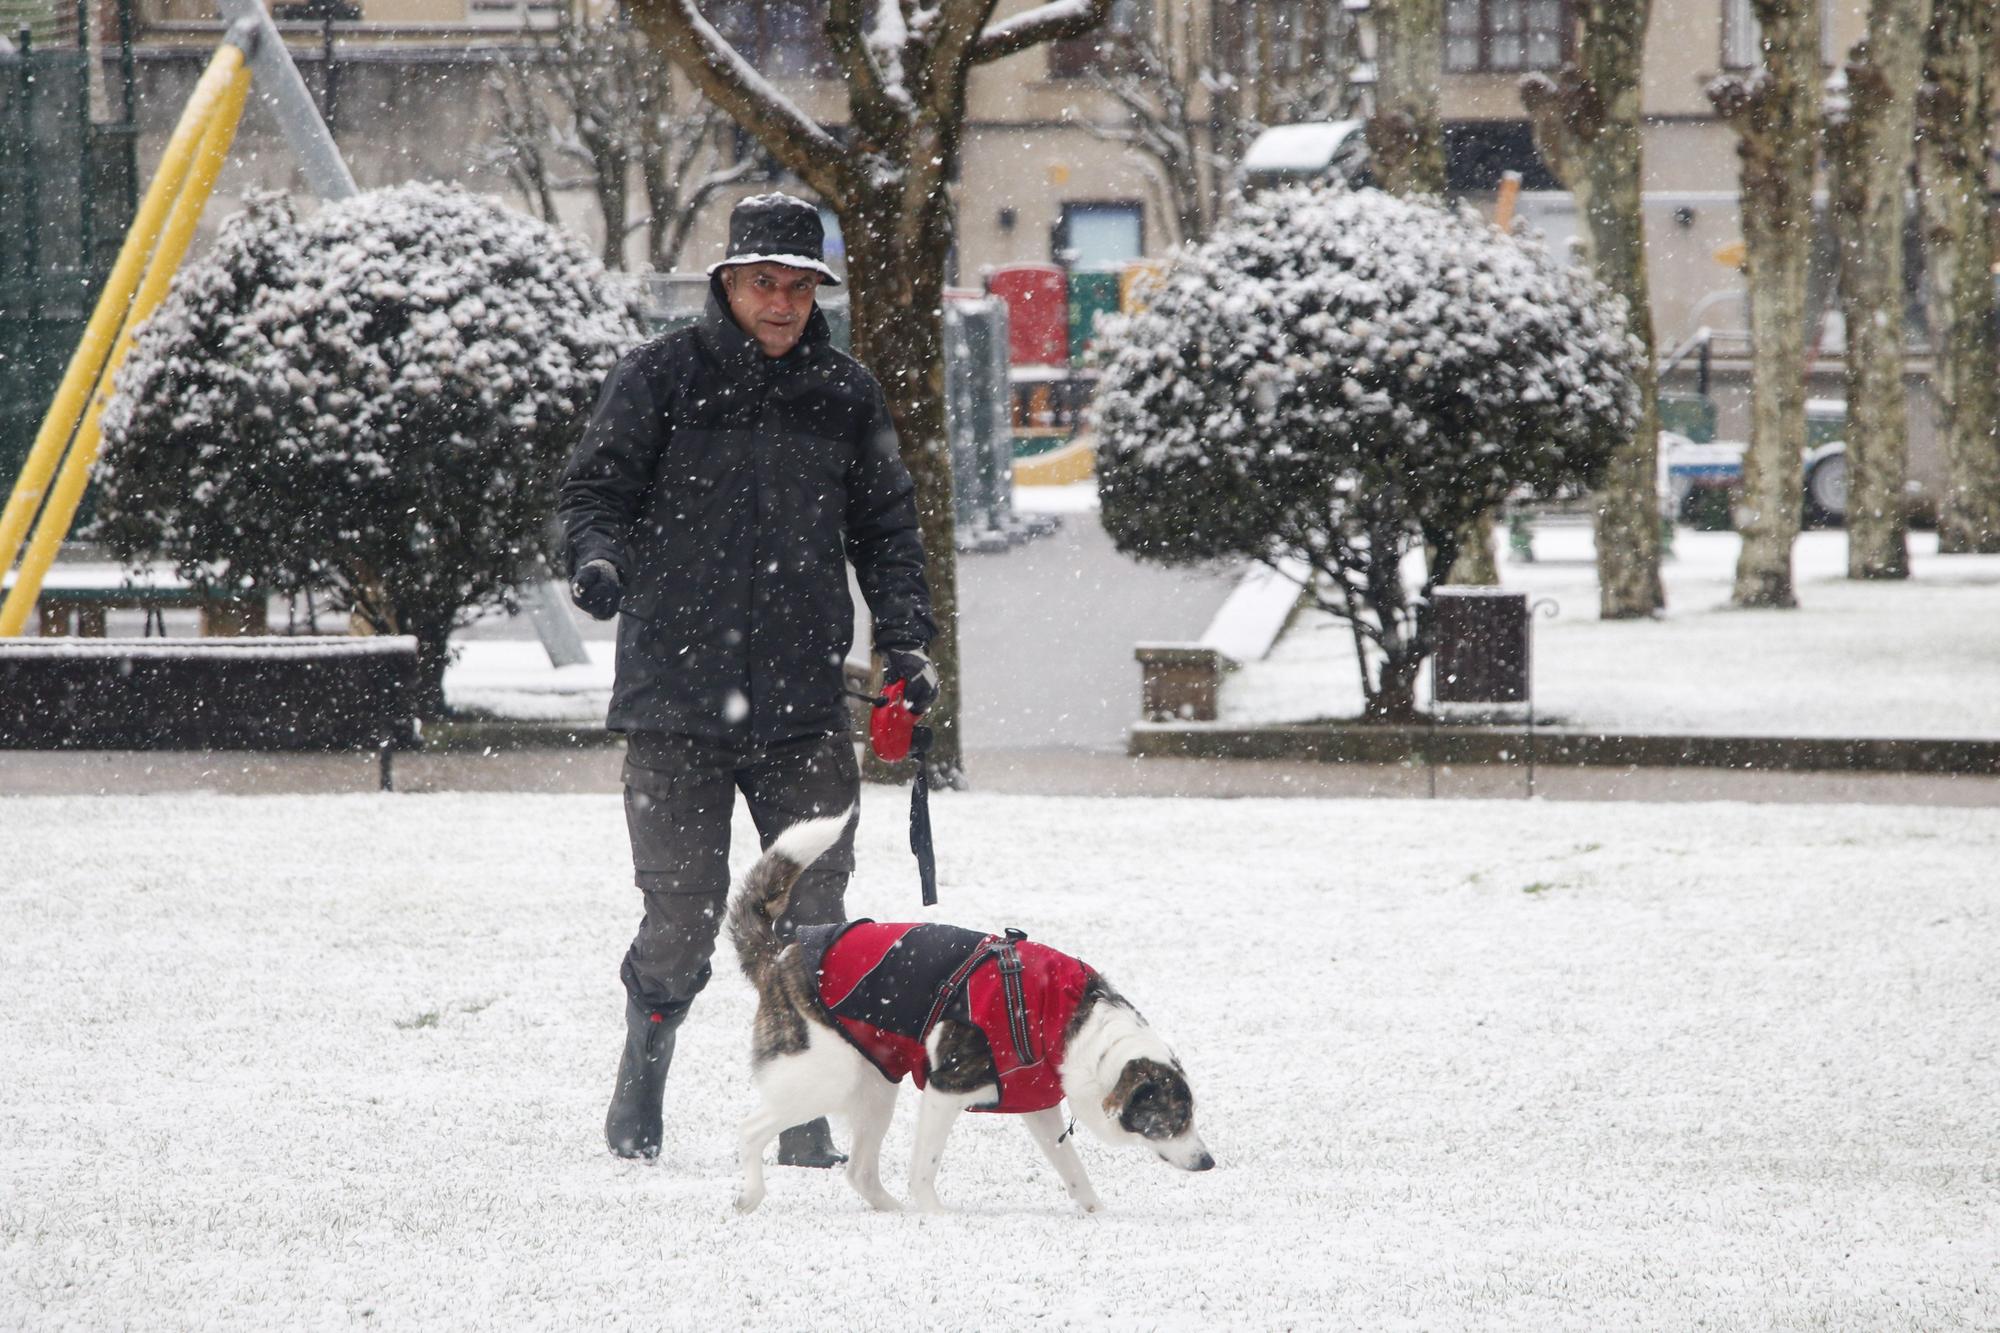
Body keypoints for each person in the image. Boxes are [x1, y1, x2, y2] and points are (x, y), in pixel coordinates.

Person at [557, 192, 938, 1164]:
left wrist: (906, 646)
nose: (782, 303)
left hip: (803, 705)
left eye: (800, 287)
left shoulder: (844, 397)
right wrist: (596, 558)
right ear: (726, 280)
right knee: (681, 915)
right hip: (674, 702)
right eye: (765, 282)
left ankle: (804, 1110)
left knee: (811, 919)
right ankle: (646, 1057)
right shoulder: (659, 381)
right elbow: (595, 491)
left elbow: (888, 535)